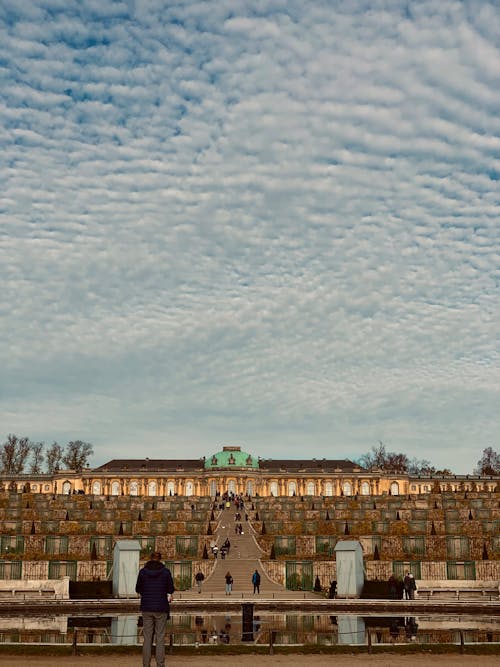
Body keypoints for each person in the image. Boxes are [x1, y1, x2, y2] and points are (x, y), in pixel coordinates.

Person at [135, 551, 174, 667]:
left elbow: (138, 588)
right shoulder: (166, 572)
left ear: (150, 559)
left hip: (147, 607)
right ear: (160, 559)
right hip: (161, 607)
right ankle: (160, 664)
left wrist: (146, 593)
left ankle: (146, 664)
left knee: (147, 638)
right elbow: (170, 589)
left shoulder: (142, 572)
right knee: (160, 637)